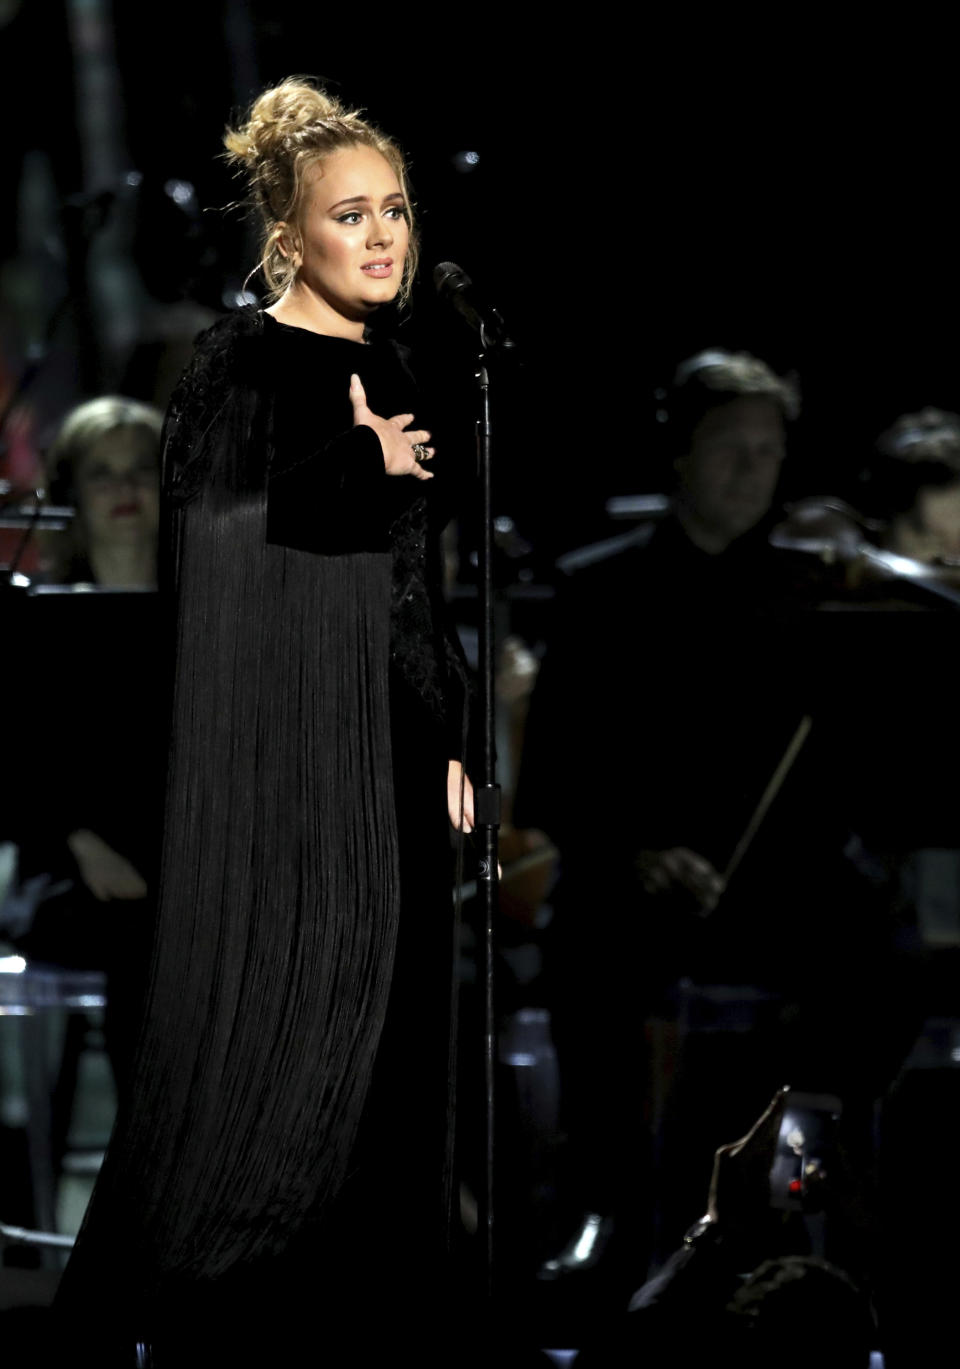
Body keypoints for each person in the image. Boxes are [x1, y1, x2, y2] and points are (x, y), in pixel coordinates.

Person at [54, 78, 473, 1366]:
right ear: (290, 236)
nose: (387, 234)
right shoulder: (240, 361)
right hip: (286, 774)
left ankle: (379, 1325)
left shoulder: (393, 358)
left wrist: (454, 738)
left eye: (396, 207)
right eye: (354, 212)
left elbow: (410, 591)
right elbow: (225, 542)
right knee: (279, 1050)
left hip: (391, 763)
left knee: (400, 1064)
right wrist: (364, 465)